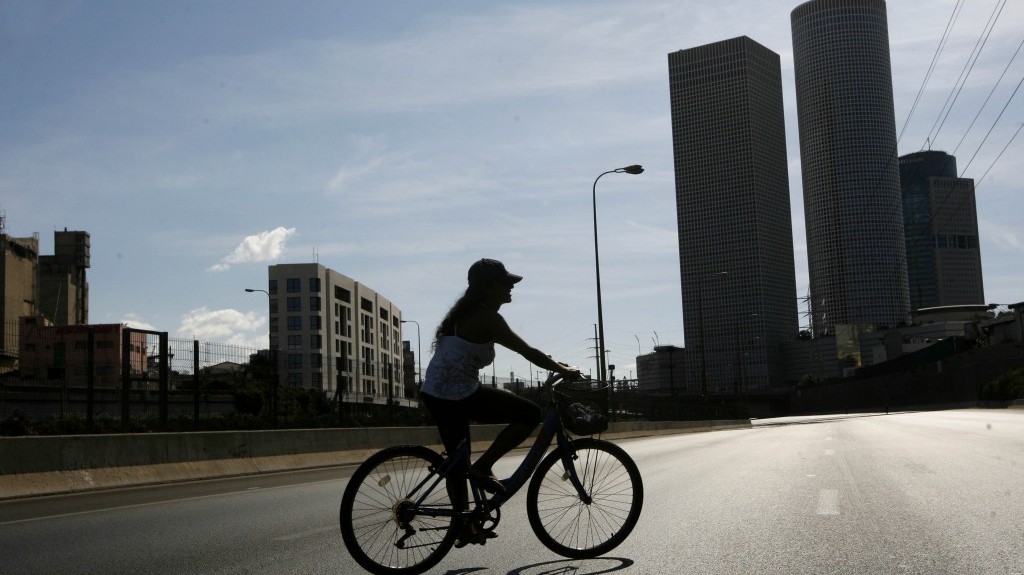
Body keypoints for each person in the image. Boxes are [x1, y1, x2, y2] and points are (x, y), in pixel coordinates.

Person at [421, 258, 579, 546]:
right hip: (455, 395)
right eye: (505, 283)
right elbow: (526, 350)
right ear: (488, 288)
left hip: (439, 393)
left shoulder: (465, 315)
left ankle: (463, 524)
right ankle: (483, 468)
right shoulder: (486, 318)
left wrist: (555, 365)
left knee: (458, 462)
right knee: (529, 414)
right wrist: (563, 370)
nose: (511, 288)